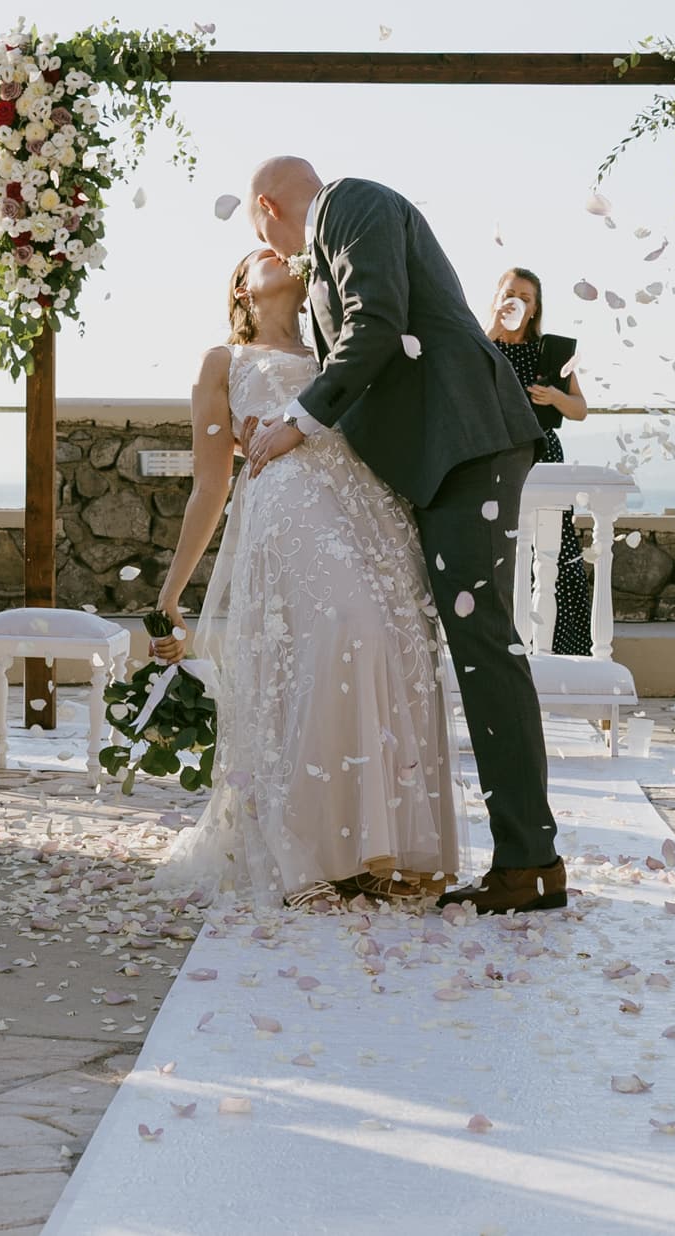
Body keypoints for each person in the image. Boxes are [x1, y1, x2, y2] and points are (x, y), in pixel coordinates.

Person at [243, 157, 559, 913]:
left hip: (466, 442)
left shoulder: (351, 203)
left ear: (265, 207)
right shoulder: (322, 251)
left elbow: (376, 323)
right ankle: (526, 859)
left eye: (258, 230)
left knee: (484, 644)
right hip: (438, 459)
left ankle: (530, 861)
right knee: (475, 644)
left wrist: (296, 421)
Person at [147, 248, 464, 908]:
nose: (276, 252)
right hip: (289, 508)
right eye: (257, 253)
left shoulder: (341, 341)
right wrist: (171, 594)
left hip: (368, 510)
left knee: (399, 644)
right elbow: (210, 483)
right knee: (346, 633)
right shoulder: (223, 362)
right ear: (242, 288)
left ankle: (382, 850)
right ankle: (309, 851)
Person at [482, 268, 593, 654]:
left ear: (534, 309)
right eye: (510, 293)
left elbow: (580, 409)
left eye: (526, 298)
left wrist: (554, 398)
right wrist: (492, 331)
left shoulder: (552, 350)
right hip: (494, 455)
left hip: (543, 455)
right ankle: (504, 641)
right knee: (498, 546)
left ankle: (560, 646)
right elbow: (457, 384)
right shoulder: (478, 344)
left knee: (552, 547)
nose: (516, 302)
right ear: (497, 297)